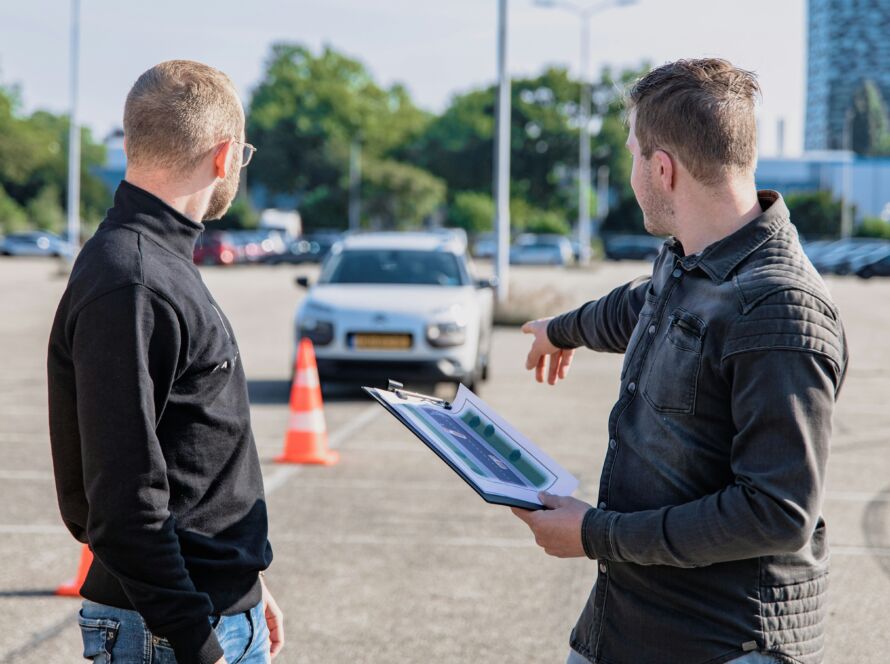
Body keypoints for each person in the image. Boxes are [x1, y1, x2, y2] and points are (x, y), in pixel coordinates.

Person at [514, 59, 847, 664]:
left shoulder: (780, 310)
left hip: (723, 643)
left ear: (661, 168)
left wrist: (594, 534)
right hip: (631, 626)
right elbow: (641, 304)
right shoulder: (693, 260)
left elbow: (776, 513)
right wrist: (562, 330)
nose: (632, 170)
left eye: (633, 153)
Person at [47, 60, 283, 664]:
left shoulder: (156, 263)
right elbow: (124, 502)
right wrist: (197, 643)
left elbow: (191, 458)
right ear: (226, 156)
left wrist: (247, 587)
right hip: (166, 633)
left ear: (130, 143)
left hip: (212, 610)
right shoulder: (133, 280)